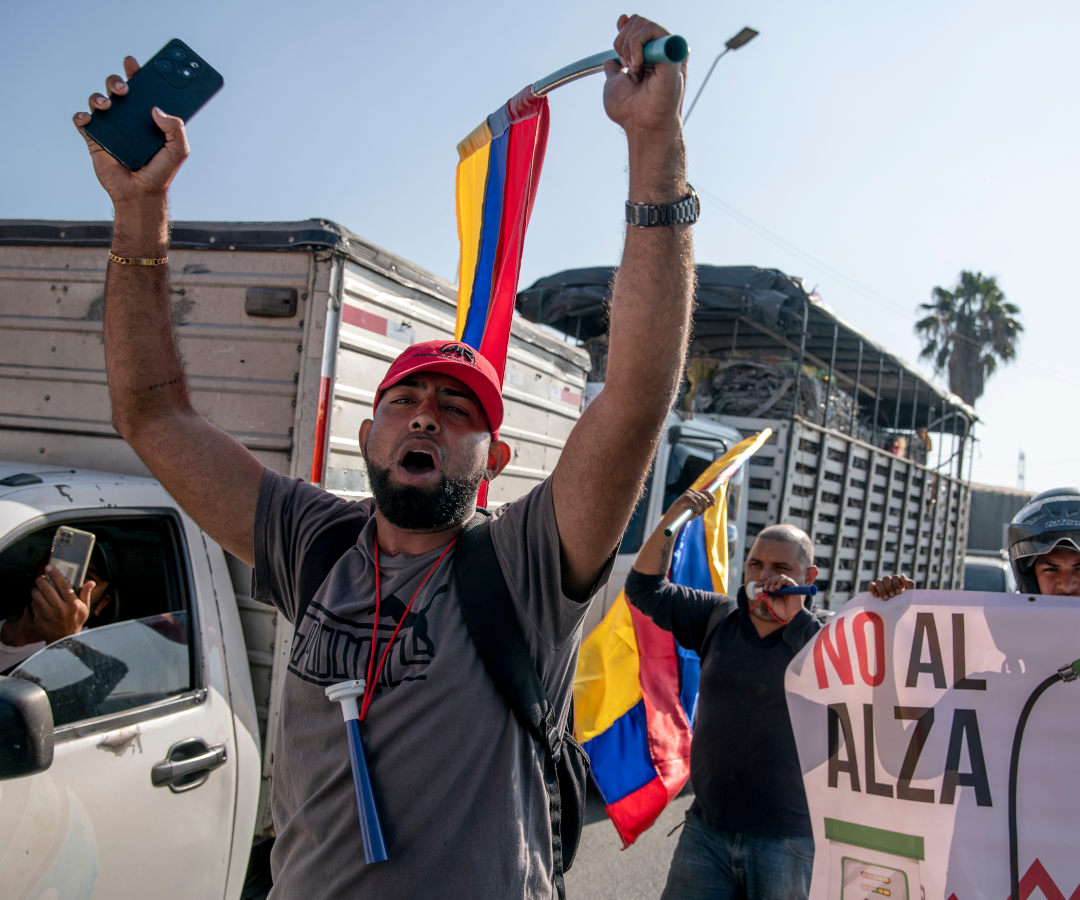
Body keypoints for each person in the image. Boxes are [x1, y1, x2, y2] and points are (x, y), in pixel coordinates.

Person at [72, 14, 696, 899]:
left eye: (456, 410)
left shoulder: (522, 565)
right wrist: (139, 212)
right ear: (368, 438)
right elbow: (152, 415)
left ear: (495, 455)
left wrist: (655, 148)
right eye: (403, 402)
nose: (425, 419)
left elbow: (635, 396)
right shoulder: (310, 540)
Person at [625, 488, 912, 900]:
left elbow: (869, 680)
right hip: (707, 833)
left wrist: (892, 605)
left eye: (781, 568)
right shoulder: (718, 618)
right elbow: (644, 588)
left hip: (789, 844)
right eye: (755, 565)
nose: (765, 578)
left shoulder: (824, 636)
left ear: (809, 579)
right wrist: (675, 517)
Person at [0, 539, 119, 675]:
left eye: (86, 576)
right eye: (62, 566)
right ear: (39, 565)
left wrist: (64, 642)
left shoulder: (94, 664)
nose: (65, 581)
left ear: (102, 603)